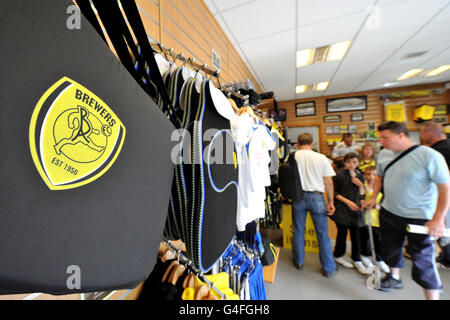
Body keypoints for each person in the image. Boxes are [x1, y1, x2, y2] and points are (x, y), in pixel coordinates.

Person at [365, 121, 450, 300]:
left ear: (401, 135)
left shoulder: (429, 155)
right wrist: (373, 198)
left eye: (385, 137)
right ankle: (394, 277)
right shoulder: (384, 154)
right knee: (390, 250)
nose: (381, 141)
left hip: (419, 217)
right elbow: (379, 176)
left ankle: (432, 296)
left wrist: (439, 219)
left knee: (423, 262)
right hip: (389, 212)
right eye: (380, 137)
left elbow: (445, 188)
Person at [291, 133, 337, 277]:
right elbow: (328, 181)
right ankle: (328, 268)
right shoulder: (321, 157)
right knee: (323, 234)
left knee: (298, 230)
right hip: (317, 197)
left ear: (298, 143)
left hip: (298, 197)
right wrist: (330, 201)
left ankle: (298, 262)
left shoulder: (292, 157)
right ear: (313, 143)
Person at [331, 152, 370, 275]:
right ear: (345, 162)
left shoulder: (360, 175)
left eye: (354, 162)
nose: (351, 165)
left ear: (358, 163)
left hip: (356, 209)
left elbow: (362, 193)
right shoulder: (339, 175)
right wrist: (348, 202)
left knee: (356, 235)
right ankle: (338, 254)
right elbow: (334, 193)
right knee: (342, 233)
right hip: (342, 209)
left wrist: (360, 185)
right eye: (349, 162)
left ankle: (356, 258)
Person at [419, 122, 450, 269]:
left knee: (442, 226)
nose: (421, 136)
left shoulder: (436, 152)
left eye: (422, 133)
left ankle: (447, 258)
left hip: (443, 196)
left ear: (429, 133)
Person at [361, 166, 390, 273]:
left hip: (378, 218)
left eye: (374, 174)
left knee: (378, 239)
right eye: (368, 174)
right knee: (365, 238)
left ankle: (379, 258)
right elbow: (359, 198)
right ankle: (365, 255)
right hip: (366, 217)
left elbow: (388, 202)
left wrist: (378, 206)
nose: (371, 177)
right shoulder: (363, 186)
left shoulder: (383, 187)